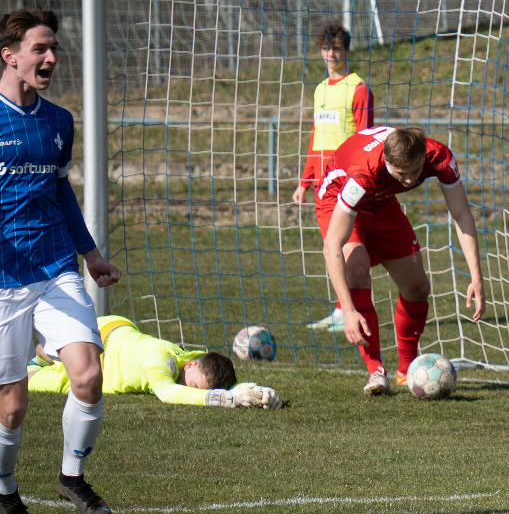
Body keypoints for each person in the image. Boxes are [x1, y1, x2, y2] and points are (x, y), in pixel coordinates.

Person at [0, 8, 123, 514]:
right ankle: (6, 493)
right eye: (40, 49)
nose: (50, 58)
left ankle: (72, 477)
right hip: (5, 279)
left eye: (54, 50)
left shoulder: (58, 120)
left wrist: (90, 254)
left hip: (54, 265)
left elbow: (59, 189)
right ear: (9, 55)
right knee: (11, 408)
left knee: (89, 375)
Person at [316, 126, 485, 396]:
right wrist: (346, 310)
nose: (408, 181)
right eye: (400, 174)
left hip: (381, 201)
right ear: (386, 161)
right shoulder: (363, 174)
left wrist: (476, 276)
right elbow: (332, 245)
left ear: (423, 157)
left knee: (417, 287)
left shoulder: (439, 157)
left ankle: (407, 371)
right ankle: (375, 371)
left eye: (414, 172)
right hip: (336, 200)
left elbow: (462, 215)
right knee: (357, 269)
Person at [292, 22, 376, 333]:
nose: (331, 54)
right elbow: (316, 136)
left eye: (337, 48)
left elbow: (365, 137)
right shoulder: (319, 89)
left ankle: (350, 310)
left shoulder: (359, 88)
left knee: (349, 246)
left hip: (347, 183)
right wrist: (304, 181)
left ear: (346, 51)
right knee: (332, 246)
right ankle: (342, 308)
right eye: (326, 48)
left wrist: (358, 177)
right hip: (321, 184)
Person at [27, 315, 283, 409]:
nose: (184, 386)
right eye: (189, 385)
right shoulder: (162, 361)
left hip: (115, 333)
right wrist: (225, 400)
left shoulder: (195, 361)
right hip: (101, 343)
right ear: (191, 366)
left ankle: (43, 356)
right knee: (24, 379)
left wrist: (252, 391)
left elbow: (217, 387)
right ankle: (42, 354)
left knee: (40, 368)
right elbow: (168, 393)